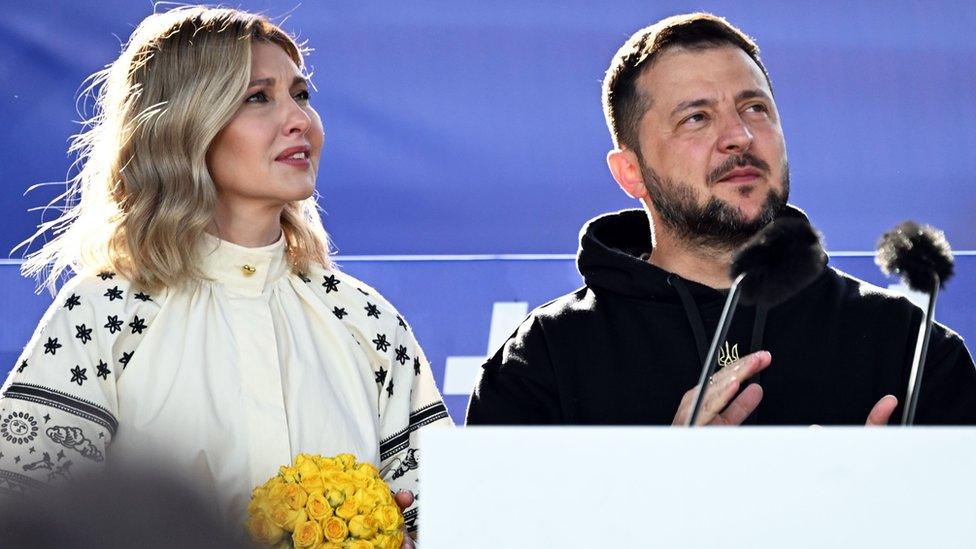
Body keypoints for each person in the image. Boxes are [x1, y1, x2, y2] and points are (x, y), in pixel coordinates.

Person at [0, 6, 450, 543]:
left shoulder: (365, 320)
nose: (299, 120)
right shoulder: (103, 313)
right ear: (185, 122)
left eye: (301, 94)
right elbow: (23, 516)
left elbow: (451, 523)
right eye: (258, 97)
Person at [466, 12, 976, 426]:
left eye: (755, 108)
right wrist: (667, 491)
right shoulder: (544, 360)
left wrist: (894, 512)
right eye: (697, 117)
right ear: (631, 172)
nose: (739, 136)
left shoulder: (910, 346)